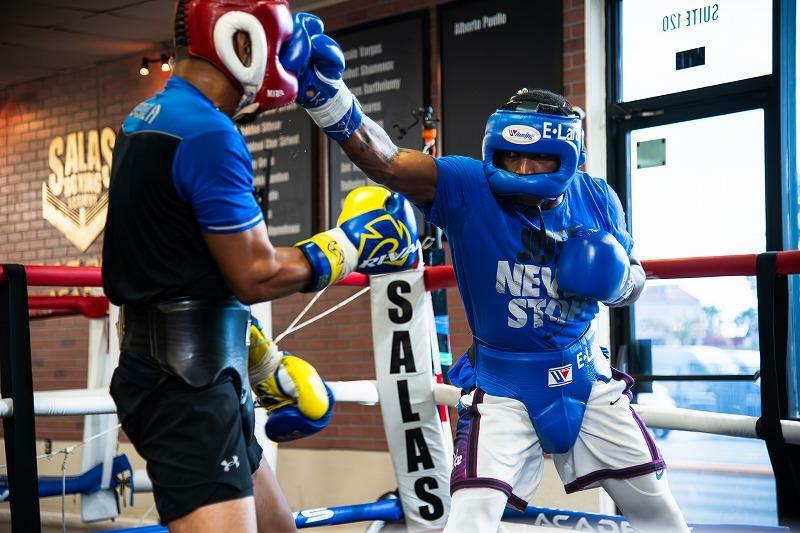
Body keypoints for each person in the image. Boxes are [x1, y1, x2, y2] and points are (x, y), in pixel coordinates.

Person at [283, 14, 690, 533]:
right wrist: (326, 96)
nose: (519, 171)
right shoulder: (468, 186)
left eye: (535, 161)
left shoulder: (596, 197)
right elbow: (385, 161)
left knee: (661, 515)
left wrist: (614, 281)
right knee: (470, 521)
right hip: (503, 386)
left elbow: (634, 281)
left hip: (587, 379)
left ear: (565, 155)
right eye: (510, 158)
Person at [101, 1, 419, 531]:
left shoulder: (150, 118)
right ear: (241, 42)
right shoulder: (207, 134)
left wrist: (256, 357)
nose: (283, 59)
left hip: (190, 371)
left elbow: (173, 261)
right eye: (275, 43)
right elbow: (256, 274)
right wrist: (353, 245)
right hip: (186, 388)